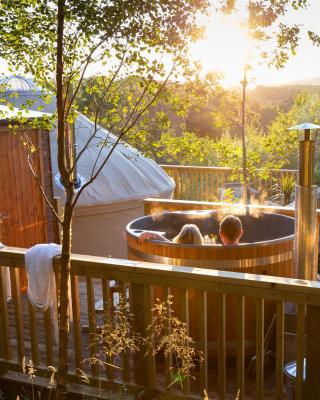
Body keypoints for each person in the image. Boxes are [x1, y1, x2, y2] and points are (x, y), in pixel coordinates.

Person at [138, 223, 204, 245]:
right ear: (199, 238)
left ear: (180, 236)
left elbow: (157, 236)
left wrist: (145, 233)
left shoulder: (174, 248)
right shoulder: (203, 252)